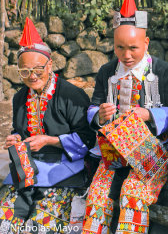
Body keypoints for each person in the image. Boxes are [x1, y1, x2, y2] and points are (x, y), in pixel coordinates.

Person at [82, 0, 168, 234]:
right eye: (119, 47)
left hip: (151, 152)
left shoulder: (164, 72)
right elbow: (92, 107)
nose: (126, 55)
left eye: (133, 48)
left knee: (133, 194)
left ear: (146, 43)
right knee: (98, 195)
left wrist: (150, 113)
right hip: (113, 153)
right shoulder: (106, 72)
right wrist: (101, 115)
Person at [0, 17, 96, 233]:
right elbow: (20, 130)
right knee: (5, 221)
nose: (32, 76)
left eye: (38, 69)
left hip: (65, 170)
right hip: (29, 169)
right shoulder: (19, 98)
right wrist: (16, 139)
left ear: (50, 64)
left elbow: (89, 139)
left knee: (41, 226)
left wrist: (50, 141)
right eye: (24, 71)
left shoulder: (72, 96)